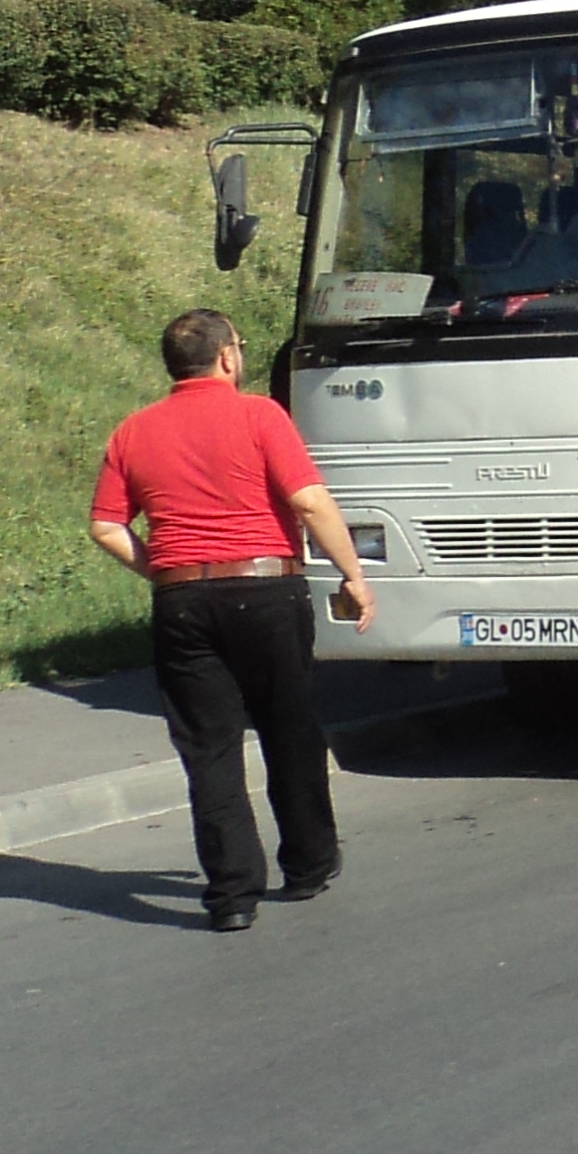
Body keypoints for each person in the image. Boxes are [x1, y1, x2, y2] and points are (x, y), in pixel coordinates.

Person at [88, 310, 377, 932]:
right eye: (239, 348)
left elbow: (106, 525)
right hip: (267, 591)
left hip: (183, 604)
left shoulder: (132, 432)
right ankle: (308, 864)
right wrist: (352, 573)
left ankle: (231, 895)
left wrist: (165, 571)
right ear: (226, 358)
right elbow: (307, 499)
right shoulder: (260, 416)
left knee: (209, 747)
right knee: (288, 728)